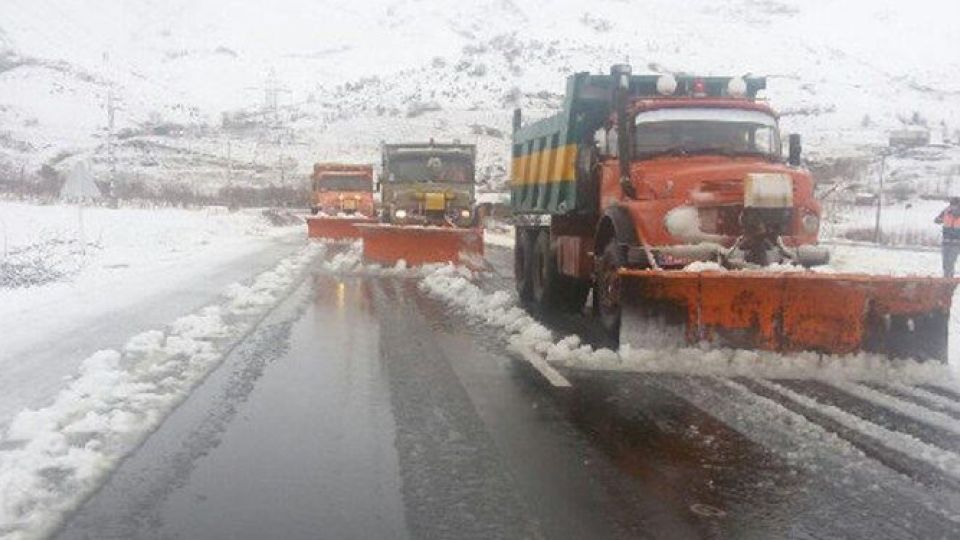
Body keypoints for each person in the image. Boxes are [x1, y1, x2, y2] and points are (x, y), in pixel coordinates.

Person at [935, 197, 960, 277]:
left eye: (955, 205)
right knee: (945, 262)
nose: (952, 206)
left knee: (951, 261)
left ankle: (949, 279)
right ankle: (946, 278)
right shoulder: (946, 211)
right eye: (951, 204)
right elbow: (937, 220)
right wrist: (939, 219)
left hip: (956, 242)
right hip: (946, 241)